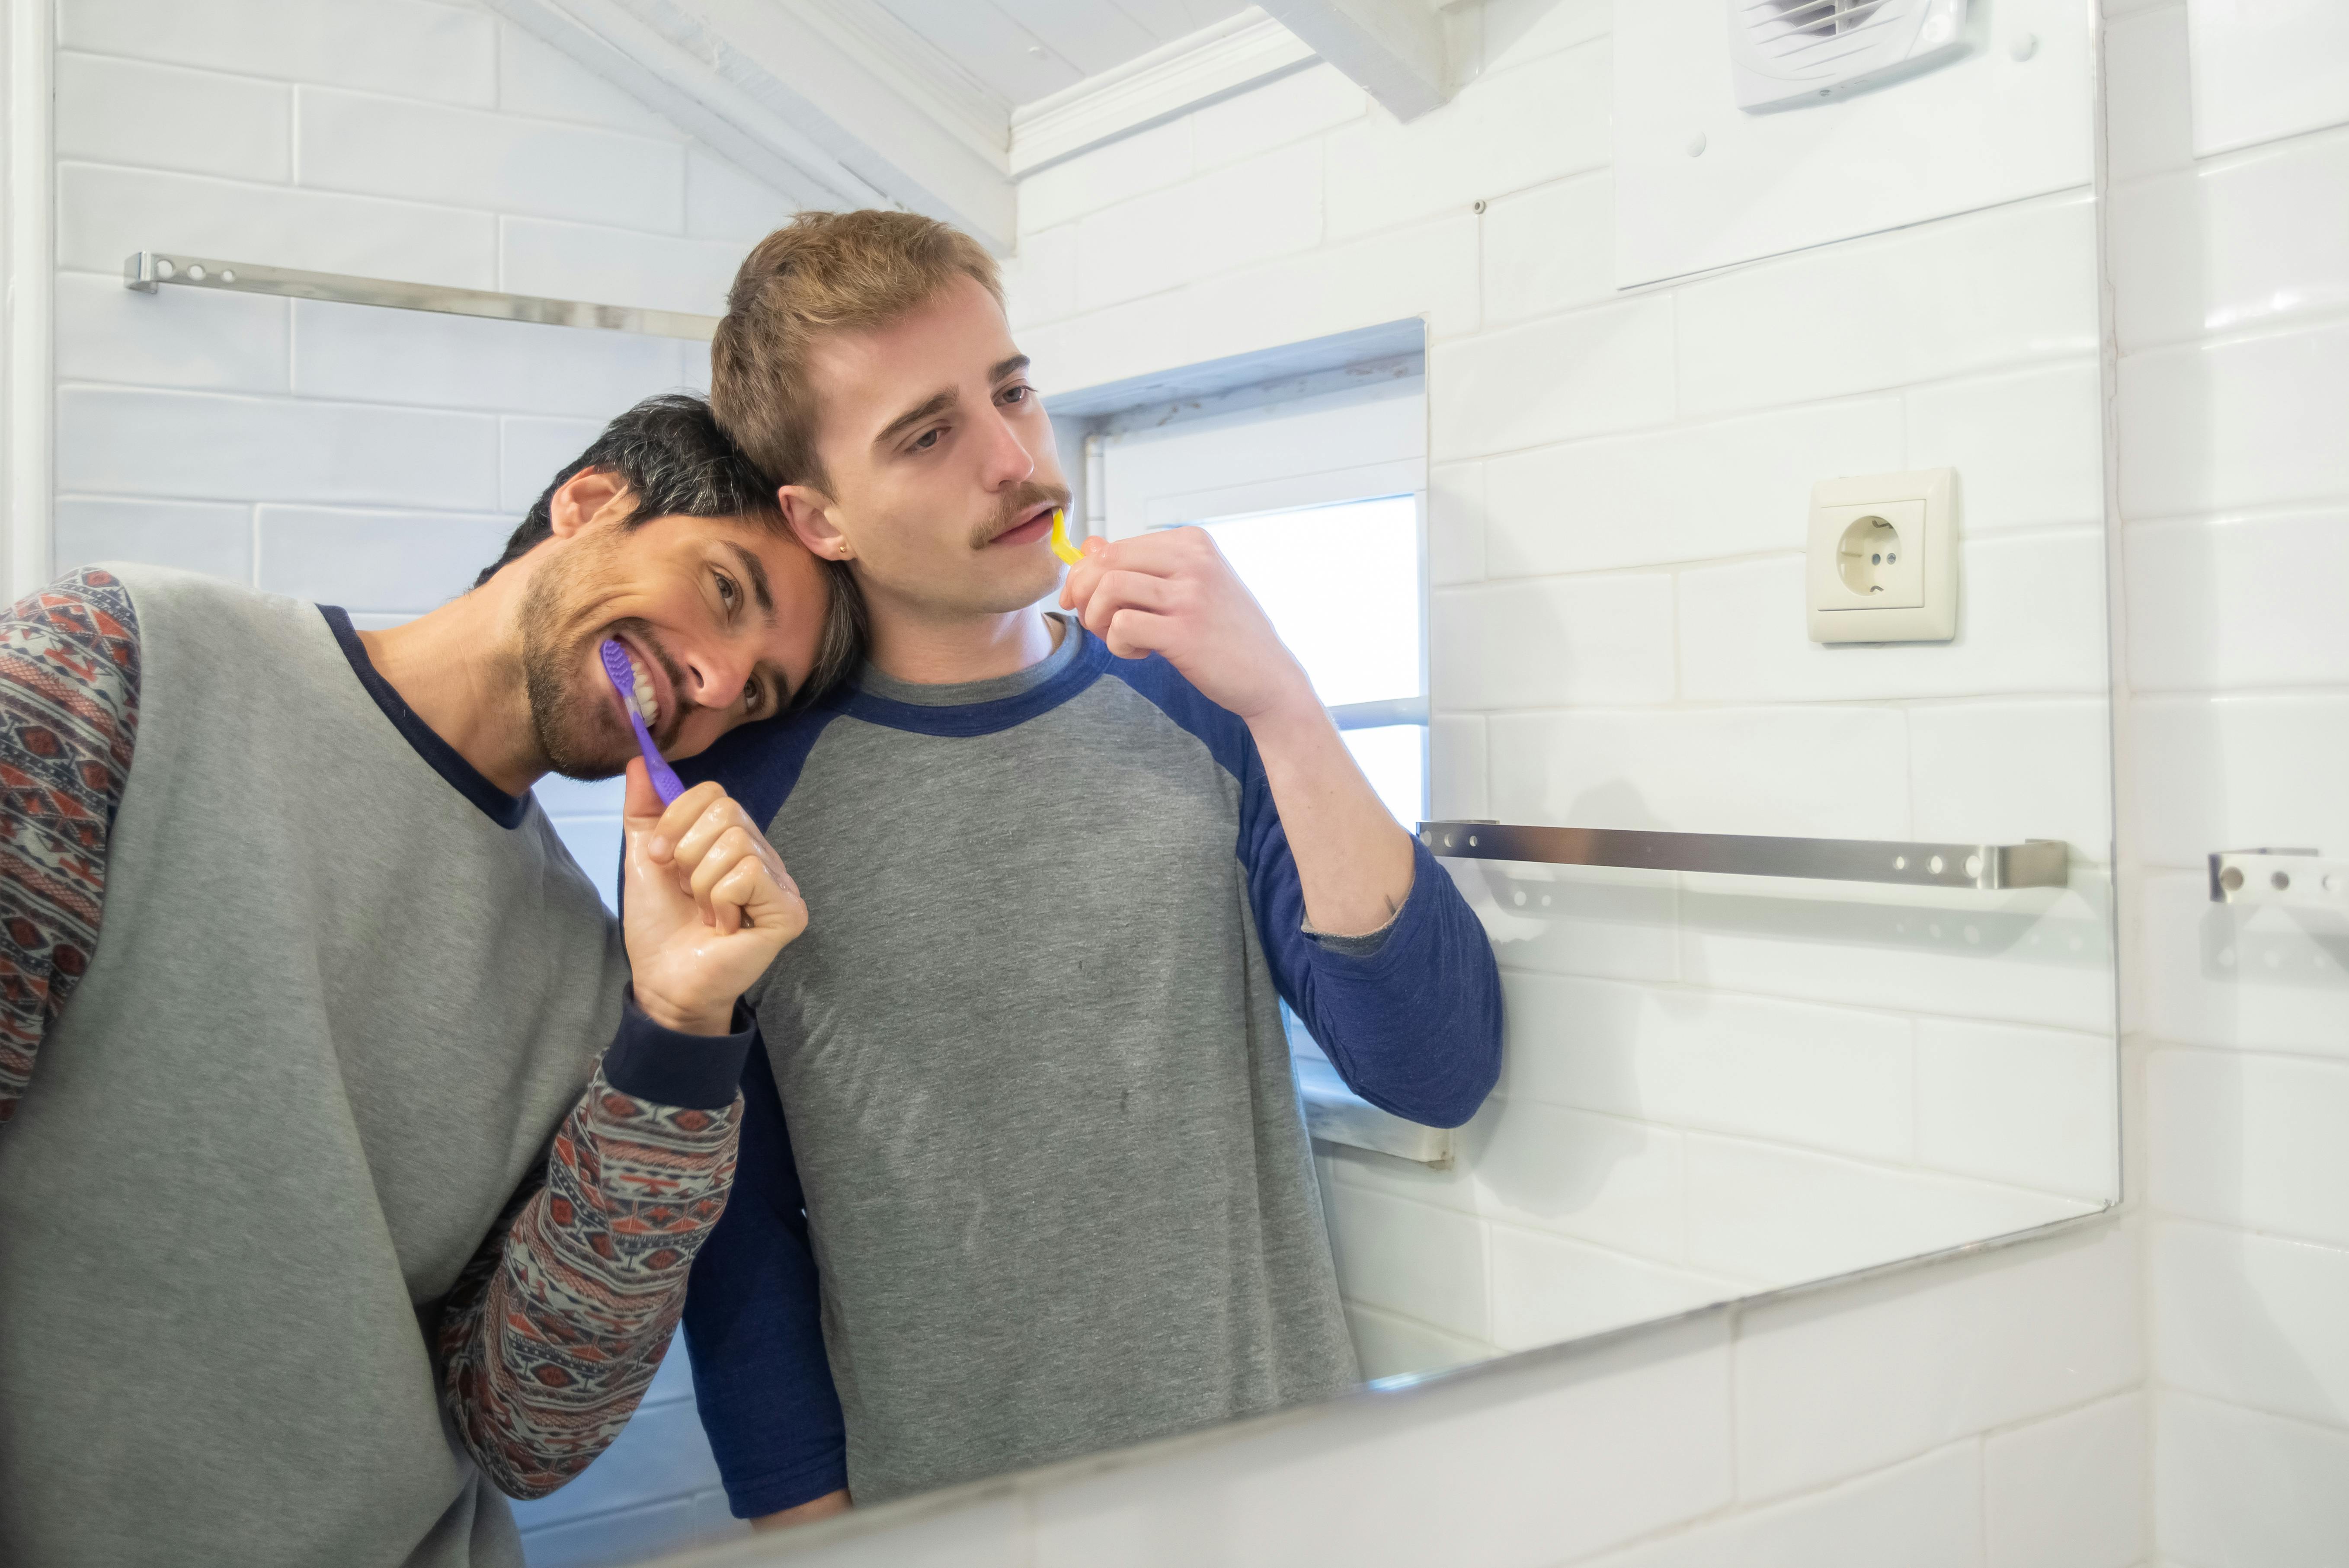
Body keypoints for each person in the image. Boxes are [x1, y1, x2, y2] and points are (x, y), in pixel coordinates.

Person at [676, 211, 1505, 1522]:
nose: (1013, 460)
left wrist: (1286, 701)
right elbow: (741, 1248)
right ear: (817, 516)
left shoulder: (1202, 710)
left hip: (1279, 1497)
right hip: (944, 1523)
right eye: (929, 432)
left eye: (1012, 391)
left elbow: (1436, 1066)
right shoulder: (747, 814)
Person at [0, 395, 861, 1568]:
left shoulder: (598, 980)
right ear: (593, 503)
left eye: (755, 692)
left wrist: (679, 1025)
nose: (712, 682)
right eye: (723, 590)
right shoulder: (119, 659)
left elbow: (526, 1429)